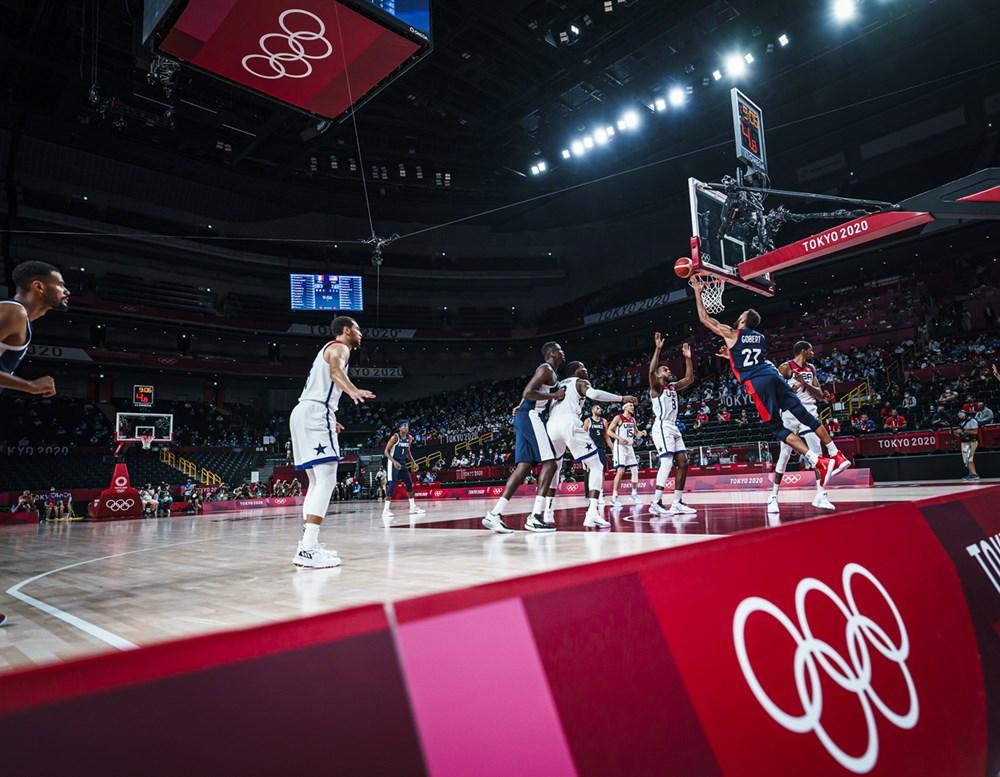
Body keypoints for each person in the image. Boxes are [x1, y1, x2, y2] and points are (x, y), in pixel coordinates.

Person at [690, 276, 848, 489]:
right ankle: (835, 454)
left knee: (777, 428)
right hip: (771, 373)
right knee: (803, 414)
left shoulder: (732, 333)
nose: (739, 316)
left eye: (741, 315)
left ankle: (817, 461)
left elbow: (705, 319)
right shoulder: (761, 338)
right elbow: (753, 358)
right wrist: (731, 357)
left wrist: (698, 292)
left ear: (744, 320)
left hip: (758, 381)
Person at [289, 316, 375, 568]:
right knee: (326, 480)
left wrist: (331, 417)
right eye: (358, 329)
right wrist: (353, 390)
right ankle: (307, 548)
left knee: (315, 481)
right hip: (316, 413)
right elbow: (335, 372)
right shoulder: (340, 347)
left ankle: (308, 545)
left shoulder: (326, 349)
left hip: (305, 411)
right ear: (346, 330)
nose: (361, 333)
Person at [483, 341, 566, 533]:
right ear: (552, 353)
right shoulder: (546, 369)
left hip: (525, 415)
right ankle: (535, 517)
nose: (563, 352)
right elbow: (528, 392)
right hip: (531, 416)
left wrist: (520, 405)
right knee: (551, 464)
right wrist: (555, 397)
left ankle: (494, 514)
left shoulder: (550, 372)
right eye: (560, 350)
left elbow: (530, 392)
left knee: (524, 466)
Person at [544, 361, 637, 528]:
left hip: (551, 425)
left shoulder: (559, 384)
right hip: (569, 422)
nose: (585, 368)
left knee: (554, 468)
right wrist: (621, 398)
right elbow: (594, 394)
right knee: (596, 466)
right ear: (575, 371)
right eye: (582, 366)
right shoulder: (580, 381)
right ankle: (592, 513)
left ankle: (548, 513)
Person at [770, 341, 835, 514]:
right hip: (790, 413)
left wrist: (805, 384)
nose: (813, 352)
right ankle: (773, 496)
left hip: (809, 411)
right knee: (784, 456)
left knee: (817, 455)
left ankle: (821, 495)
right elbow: (773, 391)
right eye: (810, 349)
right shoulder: (785, 368)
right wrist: (789, 389)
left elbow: (820, 395)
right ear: (802, 351)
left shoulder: (811, 369)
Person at [0, 261, 68, 397]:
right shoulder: (14, 312)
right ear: (38, 286)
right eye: (60, 284)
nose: (67, 291)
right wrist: (30, 386)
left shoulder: (22, 319)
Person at [647, 333, 697, 515]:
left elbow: (689, 379)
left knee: (683, 462)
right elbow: (651, 372)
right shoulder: (656, 387)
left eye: (668, 370)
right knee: (667, 462)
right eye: (665, 370)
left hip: (673, 426)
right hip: (661, 426)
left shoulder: (672, 386)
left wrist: (688, 359)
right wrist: (658, 349)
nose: (668, 371)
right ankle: (656, 502)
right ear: (659, 375)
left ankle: (677, 502)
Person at [382, 421, 426, 524]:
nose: (407, 427)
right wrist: (394, 461)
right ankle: (386, 510)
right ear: (400, 428)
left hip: (402, 463)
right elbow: (386, 451)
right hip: (393, 462)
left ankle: (412, 507)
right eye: (404, 426)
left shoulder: (409, 438)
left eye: (407, 426)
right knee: (392, 484)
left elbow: (407, 451)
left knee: (409, 483)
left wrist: (414, 463)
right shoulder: (395, 437)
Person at [606, 401, 646, 506]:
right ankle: (614, 496)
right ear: (625, 407)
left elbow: (636, 433)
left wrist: (642, 433)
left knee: (635, 470)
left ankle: (634, 494)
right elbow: (609, 431)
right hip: (620, 446)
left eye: (633, 406)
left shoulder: (633, 420)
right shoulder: (618, 418)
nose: (633, 407)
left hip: (629, 447)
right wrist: (619, 438)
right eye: (631, 405)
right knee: (621, 471)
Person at [582, 405, 608, 506]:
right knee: (590, 472)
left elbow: (606, 436)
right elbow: (583, 436)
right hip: (590, 449)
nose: (600, 409)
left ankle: (600, 494)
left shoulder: (604, 421)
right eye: (597, 408)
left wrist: (613, 448)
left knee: (601, 471)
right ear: (592, 410)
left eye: (600, 408)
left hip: (600, 448)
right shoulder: (588, 421)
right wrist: (582, 455)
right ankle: (591, 494)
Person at [955, 410, 981, 481]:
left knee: (969, 458)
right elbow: (960, 433)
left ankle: (974, 475)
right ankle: (972, 473)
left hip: (972, 441)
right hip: (964, 442)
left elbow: (975, 432)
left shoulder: (972, 421)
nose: (960, 417)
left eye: (962, 416)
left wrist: (963, 431)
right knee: (966, 460)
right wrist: (957, 433)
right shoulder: (960, 422)